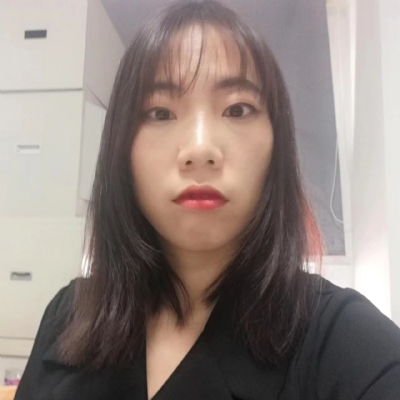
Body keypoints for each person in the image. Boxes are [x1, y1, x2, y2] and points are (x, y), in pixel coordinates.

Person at [15, 1, 400, 399]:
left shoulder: (343, 341)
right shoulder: (67, 316)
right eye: (160, 113)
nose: (200, 149)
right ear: (121, 149)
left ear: (277, 146)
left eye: (238, 109)